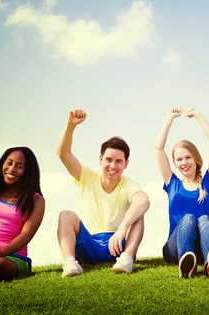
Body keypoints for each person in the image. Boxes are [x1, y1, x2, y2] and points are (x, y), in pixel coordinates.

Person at [56, 109, 150, 277]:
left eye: (119, 161)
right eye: (108, 160)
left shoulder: (128, 184)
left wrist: (122, 228)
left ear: (126, 164)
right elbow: (63, 154)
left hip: (118, 245)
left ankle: (127, 260)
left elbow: (143, 201)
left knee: (138, 213)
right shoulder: (87, 177)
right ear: (101, 159)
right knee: (66, 215)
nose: (113, 166)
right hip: (89, 242)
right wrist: (71, 125)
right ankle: (70, 263)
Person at [155, 107, 209, 279]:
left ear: (196, 158)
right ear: (175, 163)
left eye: (188, 157)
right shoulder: (172, 184)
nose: (184, 162)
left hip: (201, 248)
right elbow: (158, 148)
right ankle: (186, 262)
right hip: (174, 249)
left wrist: (199, 116)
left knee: (204, 219)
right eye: (179, 159)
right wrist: (169, 119)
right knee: (188, 218)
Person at [0, 144, 45, 283]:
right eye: (9, 163)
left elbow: (26, 234)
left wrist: (1, 252)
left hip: (13, 257)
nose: (12, 169)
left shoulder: (36, 200)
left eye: (19, 166)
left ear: (27, 171)